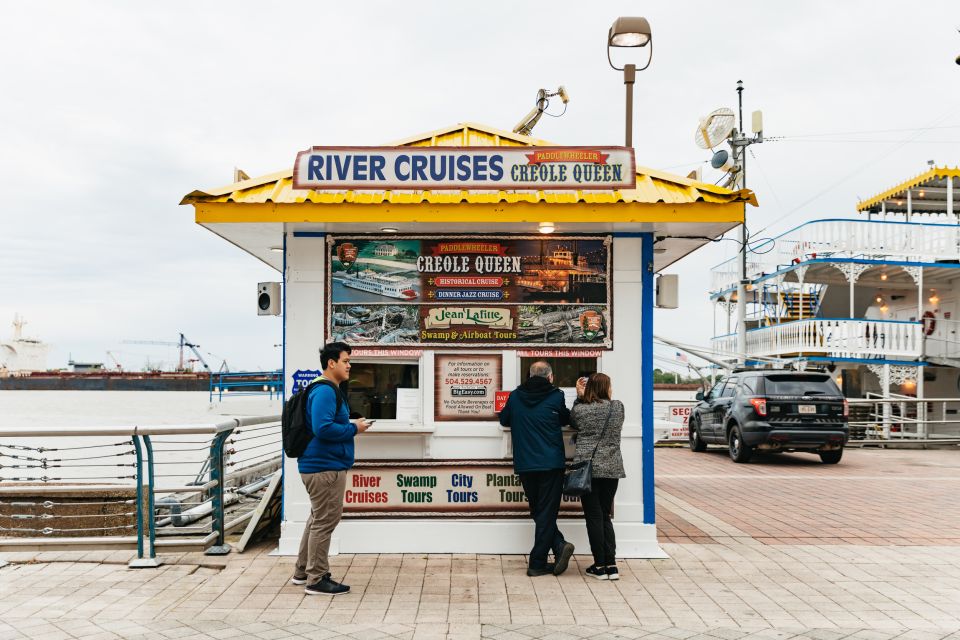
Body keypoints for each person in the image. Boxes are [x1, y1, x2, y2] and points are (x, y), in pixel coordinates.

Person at [292, 342, 373, 595]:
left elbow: (324, 423)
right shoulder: (326, 391)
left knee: (317, 518)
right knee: (326, 521)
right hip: (324, 468)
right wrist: (354, 429)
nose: (349, 366)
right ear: (332, 363)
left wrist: (350, 423)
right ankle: (316, 579)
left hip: (319, 466)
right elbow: (323, 428)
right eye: (346, 361)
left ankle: (302, 571)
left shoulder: (326, 389)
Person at [499, 360, 575, 577]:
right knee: (546, 512)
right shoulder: (556, 395)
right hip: (551, 464)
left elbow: (504, 420)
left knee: (538, 511)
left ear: (529, 376)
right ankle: (538, 562)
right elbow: (565, 419)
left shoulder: (515, 396)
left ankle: (557, 547)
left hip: (526, 463)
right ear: (550, 376)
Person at [571, 373, 625, 580]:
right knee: (605, 516)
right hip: (612, 468)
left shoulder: (581, 409)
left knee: (593, 516)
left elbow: (573, 420)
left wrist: (579, 396)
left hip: (588, 468)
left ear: (589, 388)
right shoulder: (617, 407)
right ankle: (611, 566)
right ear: (608, 387)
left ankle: (599, 566)